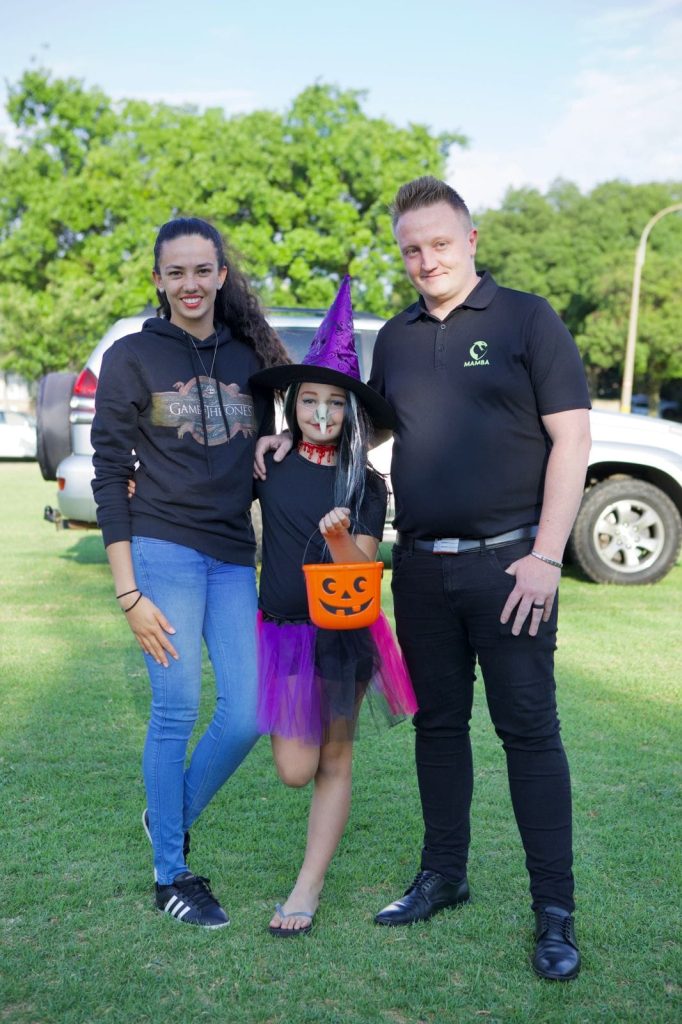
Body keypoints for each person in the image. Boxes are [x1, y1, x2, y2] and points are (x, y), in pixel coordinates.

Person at [255, 178, 591, 979]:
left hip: (511, 567)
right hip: (419, 569)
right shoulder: (398, 339)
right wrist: (283, 443)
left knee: (528, 734)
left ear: (470, 240)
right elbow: (354, 430)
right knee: (439, 728)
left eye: (439, 243)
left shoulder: (527, 319)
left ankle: (554, 912)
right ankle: (444, 874)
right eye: (411, 249)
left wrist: (547, 557)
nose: (426, 260)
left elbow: (573, 441)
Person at [91, 216, 289, 928]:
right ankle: (171, 874)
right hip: (162, 550)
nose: (191, 284)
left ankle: (165, 813)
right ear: (159, 280)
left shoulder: (250, 357)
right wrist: (129, 593)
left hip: (233, 554)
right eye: (176, 272)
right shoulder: (132, 356)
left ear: (221, 274)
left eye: (202, 270)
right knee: (176, 708)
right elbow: (108, 475)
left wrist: (272, 445)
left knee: (249, 711)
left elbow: (265, 443)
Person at [249, 276, 418, 936]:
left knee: (335, 760)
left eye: (335, 403)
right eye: (310, 400)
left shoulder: (366, 483)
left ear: (352, 413)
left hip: (345, 638)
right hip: (283, 635)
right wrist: (262, 443)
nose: (321, 414)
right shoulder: (269, 463)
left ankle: (307, 888)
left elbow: (360, 576)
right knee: (296, 769)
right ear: (292, 405)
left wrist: (341, 537)